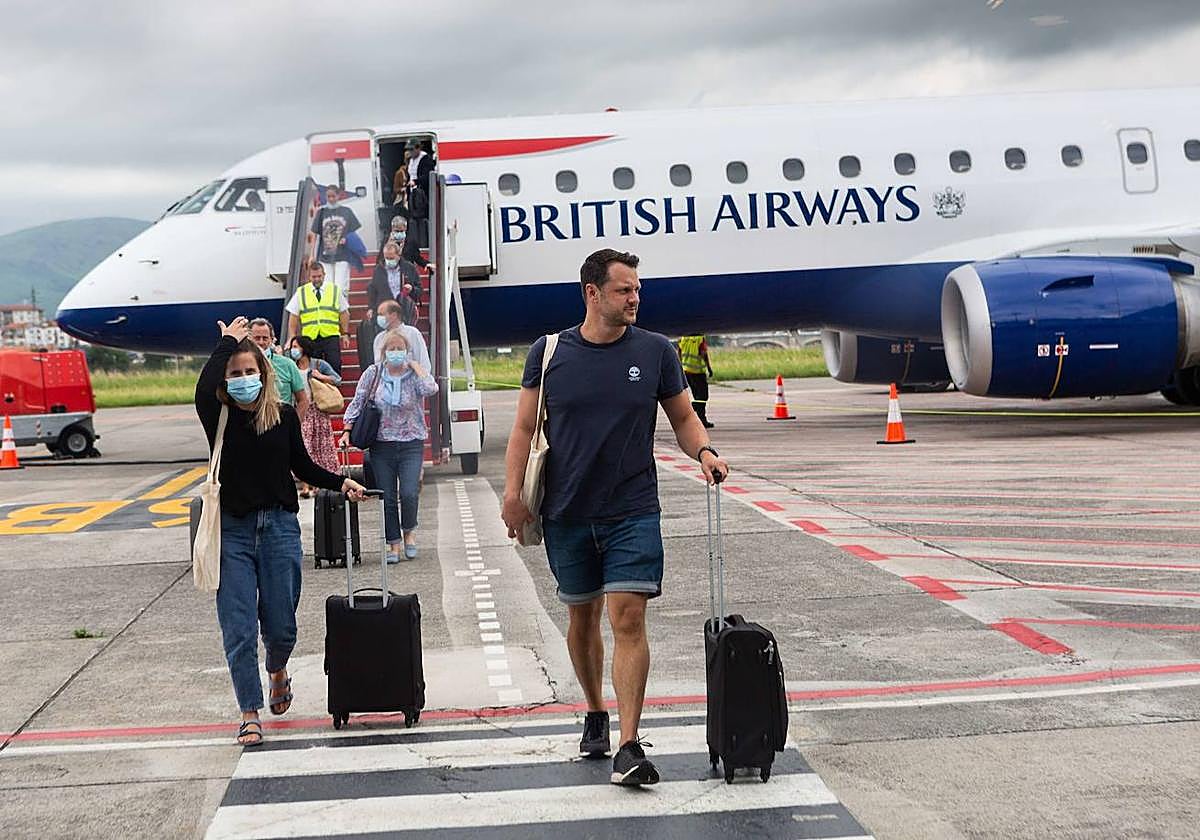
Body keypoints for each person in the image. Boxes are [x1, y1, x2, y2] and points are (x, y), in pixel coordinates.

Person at [501, 249, 729, 787]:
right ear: (592, 292)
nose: (635, 300)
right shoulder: (549, 351)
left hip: (632, 508)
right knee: (582, 619)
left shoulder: (655, 352)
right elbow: (521, 429)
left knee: (627, 618)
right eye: (625, 291)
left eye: (637, 291)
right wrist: (513, 494)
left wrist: (705, 453)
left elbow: (683, 417)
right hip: (566, 509)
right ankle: (595, 712)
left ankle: (629, 743)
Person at [195, 316, 366, 748]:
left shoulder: (284, 416)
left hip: (279, 529)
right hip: (232, 531)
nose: (243, 379)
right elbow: (202, 388)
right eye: (235, 374)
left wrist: (338, 480)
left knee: (282, 624)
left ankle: (277, 668)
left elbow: (302, 466)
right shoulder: (218, 416)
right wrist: (228, 344)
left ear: (264, 373)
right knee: (236, 626)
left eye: (250, 371)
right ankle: (249, 712)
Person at [340, 331, 437, 562]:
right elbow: (358, 401)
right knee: (388, 497)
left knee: (409, 493)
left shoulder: (414, 375)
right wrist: (346, 431)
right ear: (384, 352)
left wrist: (418, 367)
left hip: (411, 442)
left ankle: (409, 533)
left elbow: (431, 389)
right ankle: (393, 544)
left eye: (399, 348)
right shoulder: (373, 373)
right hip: (381, 445)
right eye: (391, 349)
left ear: (406, 351)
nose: (395, 353)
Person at [286, 334, 342, 498]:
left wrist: (321, 376)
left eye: (296, 346)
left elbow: (337, 380)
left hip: (318, 410)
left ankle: (319, 483)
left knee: (321, 448)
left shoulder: (318, 364)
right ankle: (305, 486)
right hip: (301, 410)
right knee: (304, 446)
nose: (293, 350)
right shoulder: (291, 366)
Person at [286, 262, 350, 376]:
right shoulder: (301, 292)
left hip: (331, 336)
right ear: (309, 277)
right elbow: (293, 316)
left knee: (335, 365)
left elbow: (344, 313)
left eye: (319, 276)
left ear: (324, 275)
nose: (316, 279)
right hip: (310, 338)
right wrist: (291, 337)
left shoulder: (334, 290)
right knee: (313, 368)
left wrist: (345, 333)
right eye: (313, 277)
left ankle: (334, 392)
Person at [248, 318, 310, 419]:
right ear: (249, 339)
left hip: (281, 424)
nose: (261, 342)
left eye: (265, 338)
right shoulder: (241, 365)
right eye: (257, 338)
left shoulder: (287, 364)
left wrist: (294, 426)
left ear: (272, 340)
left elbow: (303, 400)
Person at [311, 184, 362, 299]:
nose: (331, 199)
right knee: (327, 286)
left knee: (341, 286)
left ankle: (343, 312)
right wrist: (312, 254)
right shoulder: (321, 212)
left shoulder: (346, 211)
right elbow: (315, 234)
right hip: (325, 255)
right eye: (328, 196)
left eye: (333, 196)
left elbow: (353, 232)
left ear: (338, 196)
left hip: (343, 254)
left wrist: (347, 239)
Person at [368, 241, 419, 326]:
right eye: (386, 258)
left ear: (398, 256)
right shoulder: (378, 270)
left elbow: (419, 290)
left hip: (404, 310)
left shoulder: (409, 268)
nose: (388, 261)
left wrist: (411, 289)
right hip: (385, 311)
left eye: (391, 258)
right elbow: (373, 291)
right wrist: (371, 308)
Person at [372, 300, 431, 370]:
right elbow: (377, 366)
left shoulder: (412, 333)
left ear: (394, 315)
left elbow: (424, 362)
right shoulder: (379, 338)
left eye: (381, 314)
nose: (378, 318)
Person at [677, 334, 715, 428]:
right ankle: (691, 408)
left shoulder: (684, 338)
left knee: (697, 396)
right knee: (703, 396)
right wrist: (709, 368)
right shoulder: (700, 338)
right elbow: (703, 353)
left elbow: (679, 352)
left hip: (687, 371)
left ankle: (701, 420)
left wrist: (681, 366)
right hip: (698, 372)